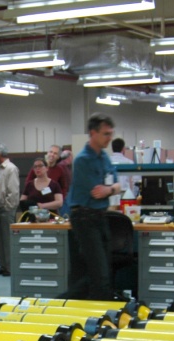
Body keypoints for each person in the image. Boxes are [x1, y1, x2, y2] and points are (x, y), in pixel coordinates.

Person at [63, 113, 121, 301]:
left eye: (111, 133)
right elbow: (97, 191)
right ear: (92, 133)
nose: (109, 138)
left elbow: (116, 186)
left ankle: (69, 302)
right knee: (100, 274)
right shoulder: (83, 160)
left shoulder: (104, 157)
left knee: (102, 270)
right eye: (105, 134)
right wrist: (110, 189)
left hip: (100, 216)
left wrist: (109, 189)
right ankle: (97, 311)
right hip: (84, 218)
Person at [0, 142, 19, 277]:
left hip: (5, 209)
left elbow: (13, 191)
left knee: (7, 240)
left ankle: (10, 267)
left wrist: (7, 207)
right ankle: (2, 266)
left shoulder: (10, 169)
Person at [108, 137, 139, 204]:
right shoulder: (129, 162)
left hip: (110, 194)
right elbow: (136, 181)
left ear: (112, 148)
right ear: (123, 148)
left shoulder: (106, 162)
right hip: (125, 195)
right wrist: (133, 195)